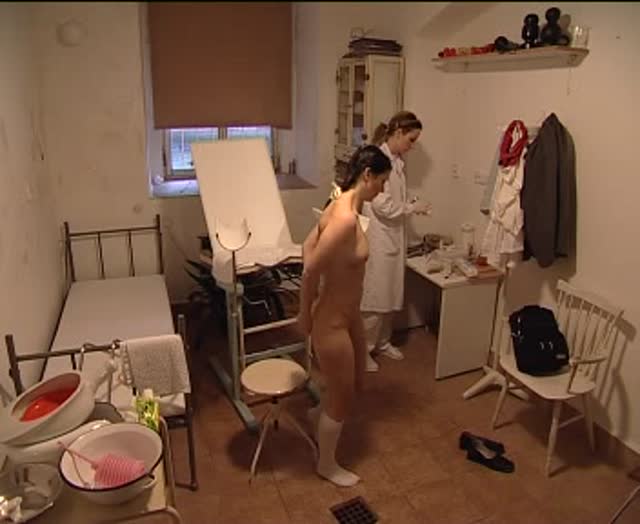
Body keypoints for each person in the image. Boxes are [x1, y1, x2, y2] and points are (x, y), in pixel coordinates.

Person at [298, 145, 391, 487]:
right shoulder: (345, 218)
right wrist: (304, 313)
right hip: (332, 322)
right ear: (368, 175)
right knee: (342, 396)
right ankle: (326, 464)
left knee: (357, 383)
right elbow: (310, 268)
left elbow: (307, 245)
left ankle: (316, 415)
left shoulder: (344, 204)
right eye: (381, 181)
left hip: (349, 315)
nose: (382, 189)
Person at [361, 111, 431, 372]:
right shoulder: (379, 160)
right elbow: (382, 205)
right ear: (398, 133)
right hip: (379, 240)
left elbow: (395, 201)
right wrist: (412, 208)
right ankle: (364, 350)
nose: (412, 146)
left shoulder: (397, 162)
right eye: (411, 140)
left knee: (390, 296)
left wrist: (410, 204)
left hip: (392, 239)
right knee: (375, 300)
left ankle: (382, 342)